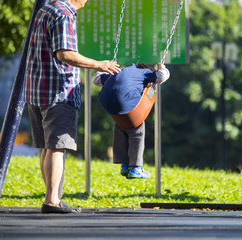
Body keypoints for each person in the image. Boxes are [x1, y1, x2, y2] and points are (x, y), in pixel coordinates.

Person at [23, 0, 120, 214]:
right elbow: (64, 54)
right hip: (58, 90)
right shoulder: (64, 13)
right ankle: (52, 201)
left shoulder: (45, 9)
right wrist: (99, 64)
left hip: (36, 89)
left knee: (48, 147)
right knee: (58, 147)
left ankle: (52, 197)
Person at [93, 63, 170, 179]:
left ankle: (124, 164)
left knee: (121, 123)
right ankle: (136, 167)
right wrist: (162, 68)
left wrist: (105, 65)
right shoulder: (145, 73)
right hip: (124, 100)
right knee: (137, 128)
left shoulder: (119, 71)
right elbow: (162, 77)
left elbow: (96, 79)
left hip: (105, 100)